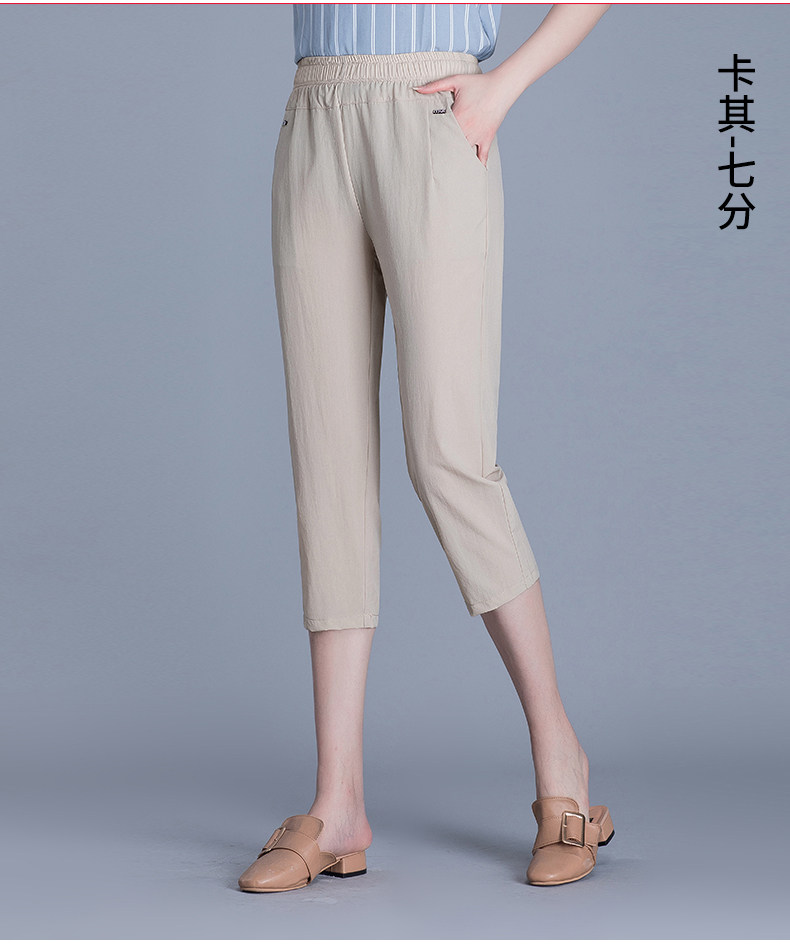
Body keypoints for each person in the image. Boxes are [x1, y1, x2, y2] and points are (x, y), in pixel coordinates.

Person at [239, 2, 613, 893]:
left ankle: (559, 757)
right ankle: (338, 804)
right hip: (314, 112)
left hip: (434, 112)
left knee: (449, 455)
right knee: (327, 467)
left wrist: (503, 88)